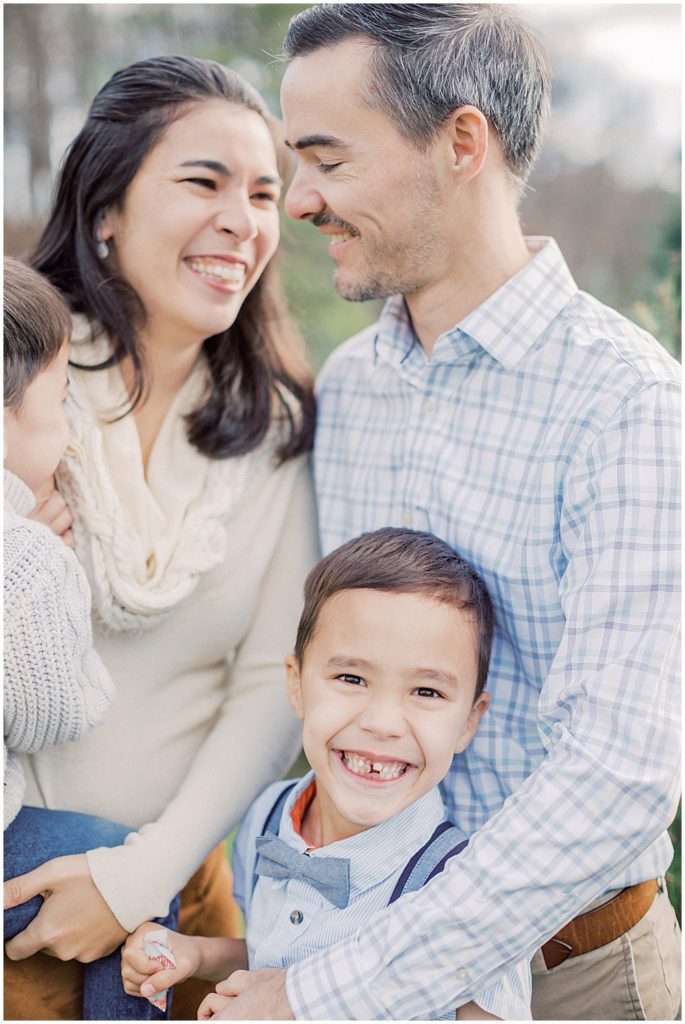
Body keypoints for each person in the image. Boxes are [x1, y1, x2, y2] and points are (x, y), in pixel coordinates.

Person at [208, 5, 681, 1022]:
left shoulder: (627, 404)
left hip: (574, 982)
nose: (298, 201)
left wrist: (333, 992)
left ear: (461, 142)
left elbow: (617, 775)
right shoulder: (352, 388)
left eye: (327, 160)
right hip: (344, 938)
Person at [3, 56, 319, 1022]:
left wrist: (138, 880)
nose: (244, 219)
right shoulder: (24, 393)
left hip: (172, 916)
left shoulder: (274, 428)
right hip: (15, 897)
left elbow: (271, 682)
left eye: (264, 192)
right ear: (107, 210)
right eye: (203, 182)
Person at [122, 527, 535, 1021]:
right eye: (351, 678)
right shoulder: (268, 815)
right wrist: (197, 955)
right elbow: (276, 953)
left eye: (426, 692)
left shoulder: (467, 891)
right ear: (296, 685)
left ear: (469, 720)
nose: (381, 723)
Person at [3, 256, 181, 1021]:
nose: (71, 428)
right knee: (130, 878)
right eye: (60, 401)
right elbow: (56, 712)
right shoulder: (27, 560)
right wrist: (46, 571)